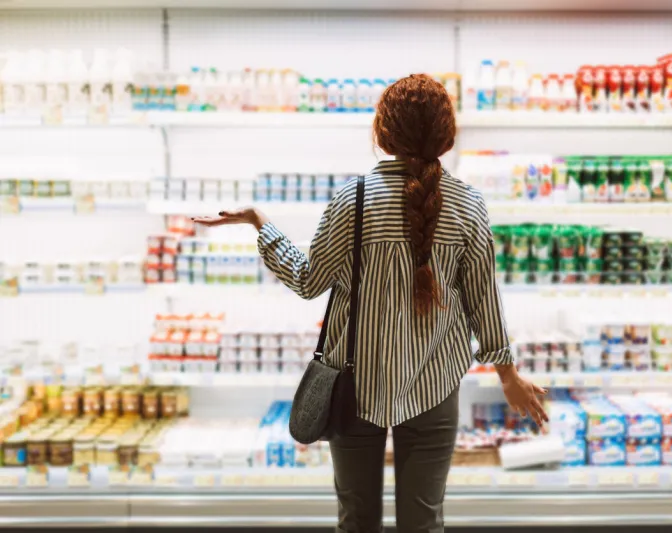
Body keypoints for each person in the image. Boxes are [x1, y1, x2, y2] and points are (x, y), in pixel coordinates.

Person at [193, 73, 548, 533]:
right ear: (447, 133)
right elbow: (484, 300)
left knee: (356, 520)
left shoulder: (351, 199)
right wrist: (507, 374)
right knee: (424, 521)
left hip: (355, 386)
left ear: (383, 132)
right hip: (435, 383)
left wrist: (262, 224)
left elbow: (307, 281)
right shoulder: (469, 204)